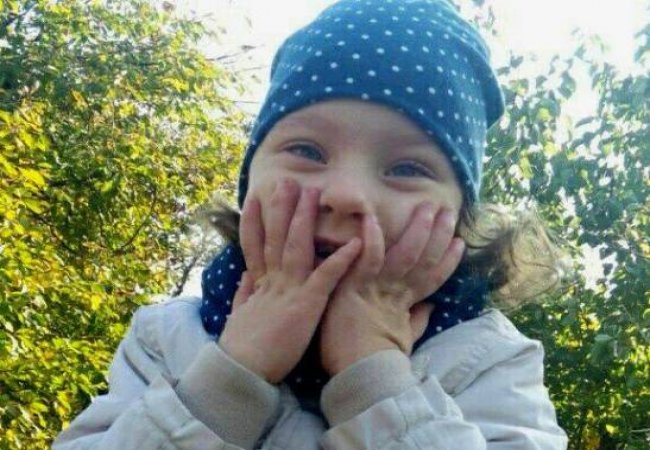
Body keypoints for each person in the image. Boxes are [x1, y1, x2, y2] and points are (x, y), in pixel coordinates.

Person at [54, 0, 569, 448]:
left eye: (407, 168)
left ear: (460, 218)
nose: (345, 195)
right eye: (307, 150)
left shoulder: (490, 361)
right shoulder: (168, 338)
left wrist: (374, 373)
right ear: (249, 181)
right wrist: (232, 375)